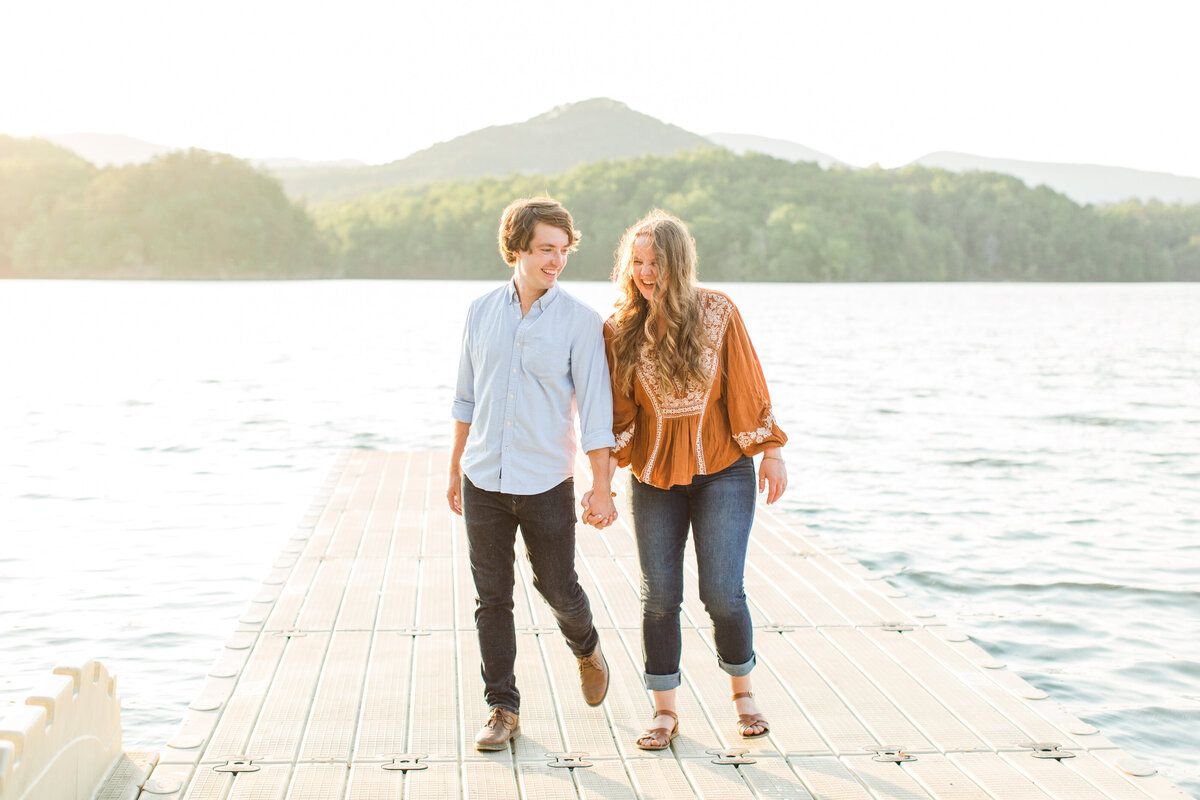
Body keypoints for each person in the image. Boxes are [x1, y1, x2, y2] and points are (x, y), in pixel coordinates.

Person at [590, 209, 788, 750]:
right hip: (654, 479)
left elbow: (747, 384)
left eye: (655, 262)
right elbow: (616, 416)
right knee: (660, 596)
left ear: (679, 263)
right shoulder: (620, 328)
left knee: (722, 593)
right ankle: (664, 710)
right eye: (637, 262)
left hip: (725, 472)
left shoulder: (719, 311)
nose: (645, 272)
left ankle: (743, 695)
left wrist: (770, 452)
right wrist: (602, 483)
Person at [448, 197, 619, 751]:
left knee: (558, 587)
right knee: (491, 598)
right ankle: (502, 708)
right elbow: (466, 399)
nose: (556, 261)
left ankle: (586, 646)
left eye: (563, 251)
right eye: (546, 249)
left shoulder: (581, 322)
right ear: (516, 248)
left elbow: (597, 413)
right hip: (483, 482)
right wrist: (454, 470)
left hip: (547, 481)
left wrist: (600, 486)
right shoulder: (479, 312)